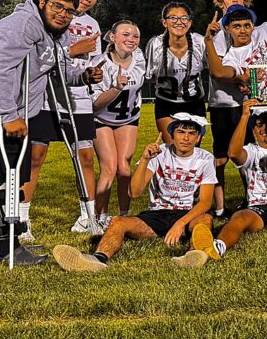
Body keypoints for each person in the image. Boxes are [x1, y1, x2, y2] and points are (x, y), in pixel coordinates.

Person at [0, 0, 100, 265]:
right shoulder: (20, 25)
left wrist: (83, 77)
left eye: (69, 11)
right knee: (0, 172)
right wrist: (9, 114)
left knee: (15, 173)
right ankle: (3, 245)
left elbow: (55, 68)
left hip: (11, 108)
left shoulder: (58, 34)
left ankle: (6, 241)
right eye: (57, 7)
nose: (63, 14)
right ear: (42, 3)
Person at [52, 114, 216, 272]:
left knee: (205, 219)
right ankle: (97, 259)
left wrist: (179, 224)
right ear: (172, 135)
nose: (186, 138)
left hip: (188, 214)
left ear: (198, 138)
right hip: (157, 213)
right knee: (118, 221)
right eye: (181, 132)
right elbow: (134, 192)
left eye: (192, 133)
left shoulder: (206, 159)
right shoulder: (159, 153)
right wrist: (145, 160)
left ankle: (192, 256)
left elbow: (205, 202)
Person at [180, 98, 267, 266]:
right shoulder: (251, 151)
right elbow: (233, 153)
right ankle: (217, 248)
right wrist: (244, 116)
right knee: (239, 218)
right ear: (253, 131)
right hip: (257, 206)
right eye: (259, 125)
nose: (264, 129)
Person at [23, 0, 110, 237]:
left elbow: (92, 60)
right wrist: (73, 50)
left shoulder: (93, 24)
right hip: (46, 96)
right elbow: (39, 56)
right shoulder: (51, 15)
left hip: (77, 98)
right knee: (36, 156)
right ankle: (23, 220)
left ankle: (88, 218)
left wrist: (93, 74)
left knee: (85, 157)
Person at [204, 0, 265, 218]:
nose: (235, 0)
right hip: (222, 101)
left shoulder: (252, 26)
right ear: (220, 2)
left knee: (247, 152)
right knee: (220, 156)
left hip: (247, 102)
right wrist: (241, 79)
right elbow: (218, 70)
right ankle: (220, 207)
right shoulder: (217, 30)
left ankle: (252, 199)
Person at [90, 19, 146, 227]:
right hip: (101, 118)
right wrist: (116, 88)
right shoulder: (99, 63)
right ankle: (100, 218)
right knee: (109, 168)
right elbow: (95, 105)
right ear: (112, 37)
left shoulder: (139, 57)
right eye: (126, 34)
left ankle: (124, 215)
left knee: (124, 169)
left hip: (128, 118)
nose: (131, 39)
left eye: (135, 35)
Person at [145, 2, 207, 141]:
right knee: (173, 147)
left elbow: (214, 71)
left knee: (191, 149)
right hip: (166, 103)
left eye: (184, 18)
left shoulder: (200, 42)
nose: (179, 22)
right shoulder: (155, 44)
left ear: (189, 23)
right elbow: (150, 76)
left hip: (194, 103)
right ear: (164, 22)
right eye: (173, 18)